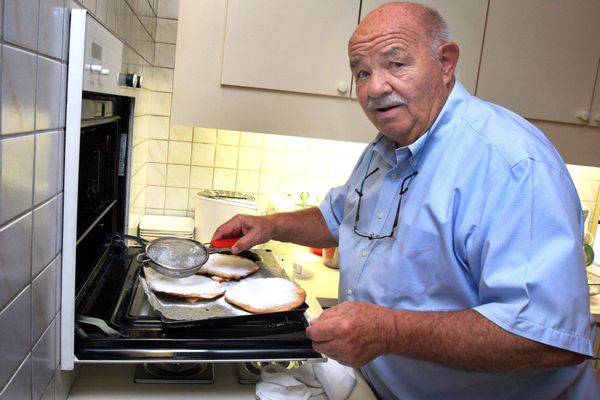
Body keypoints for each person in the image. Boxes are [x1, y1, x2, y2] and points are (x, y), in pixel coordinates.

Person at [213, 2, 599, 398]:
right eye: (362, 72)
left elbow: (548, 338)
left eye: (396, 64)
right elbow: (340, 215)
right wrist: (270, 226)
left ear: (446, 62)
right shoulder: (386, 149)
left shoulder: (511, 164)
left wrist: (387, 331)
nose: (374, 88)